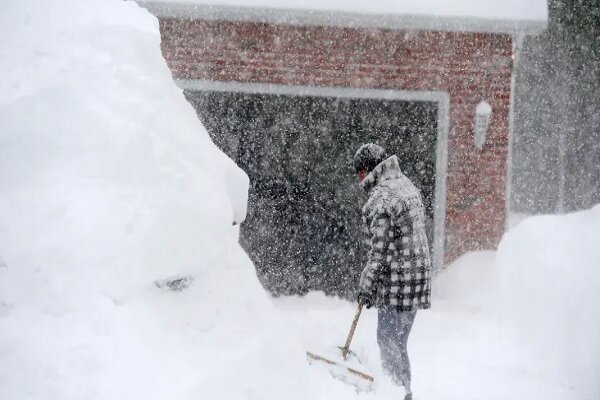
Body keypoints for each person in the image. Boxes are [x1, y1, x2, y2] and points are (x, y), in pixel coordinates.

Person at [353, 143, 432, 400]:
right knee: (398, 343)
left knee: (387, 340)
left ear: (366, 170)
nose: (359, 179)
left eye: (359, 173)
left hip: (399, 282)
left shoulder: (381, 199)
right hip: (418, 278)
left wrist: (366, 286)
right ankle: (404, 391)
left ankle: (395, 394)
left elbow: (380, 252)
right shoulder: (407, 185)